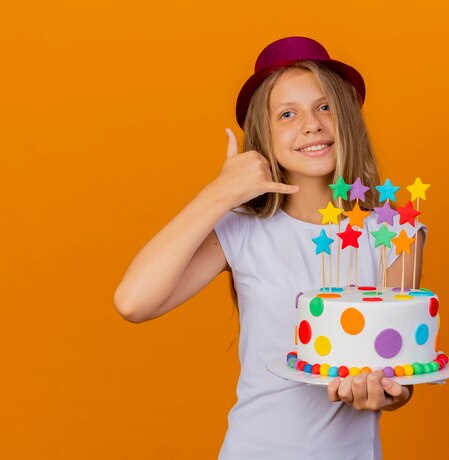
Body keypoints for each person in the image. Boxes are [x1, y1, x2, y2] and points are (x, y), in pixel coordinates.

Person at [115, 36, 427, 459]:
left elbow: (401, 376)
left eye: (325, 106)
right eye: (286, 114)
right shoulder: (242, 231)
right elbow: (134, 301)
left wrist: (385, 395)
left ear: (348, 118)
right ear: (264, 138)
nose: (312, 124)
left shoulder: (395, 231)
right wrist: (219, 194)